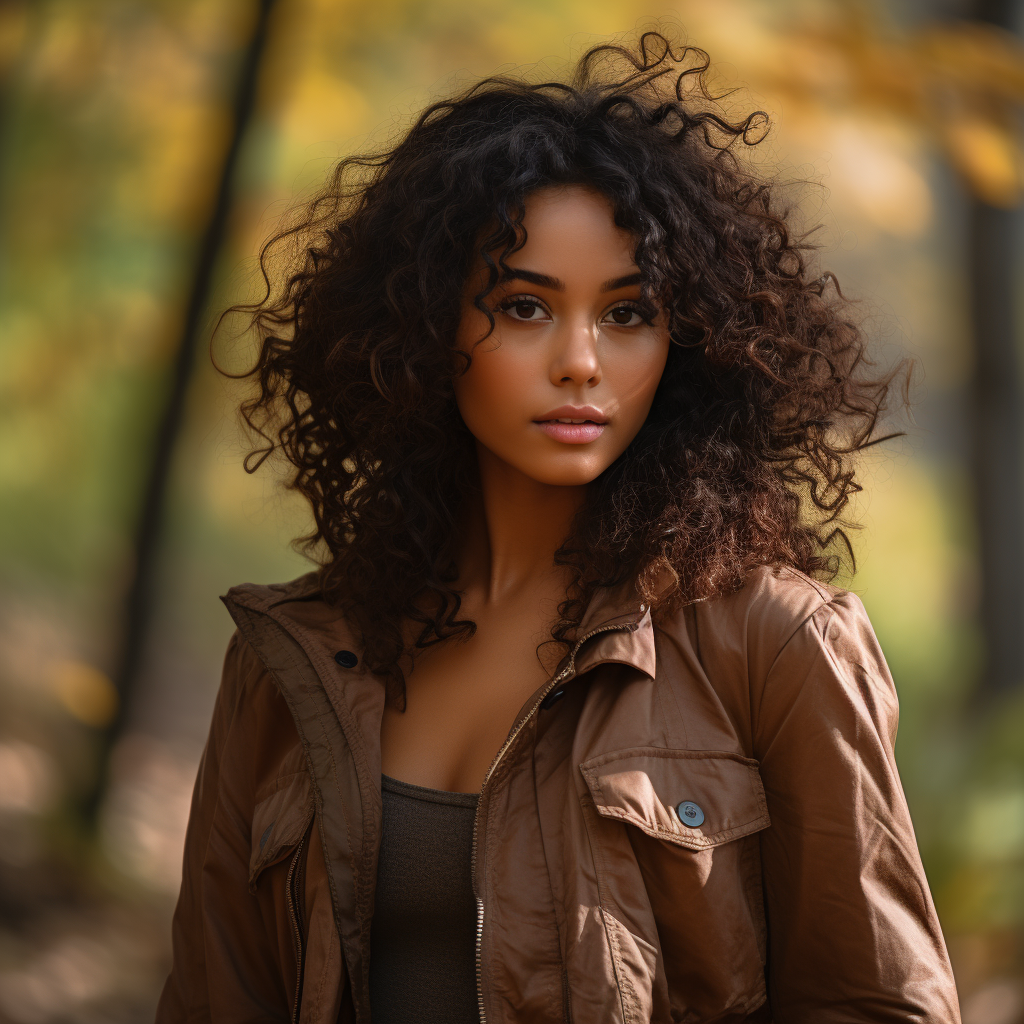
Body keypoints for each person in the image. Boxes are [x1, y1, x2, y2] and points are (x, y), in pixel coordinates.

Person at [156, 32, 962, 1024]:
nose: (581, 361)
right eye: (525, 305)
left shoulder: (776, 646)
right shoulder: (296, 659)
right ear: (424, 329)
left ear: (689, 340)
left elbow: (878, 1005)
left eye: (627, 314)